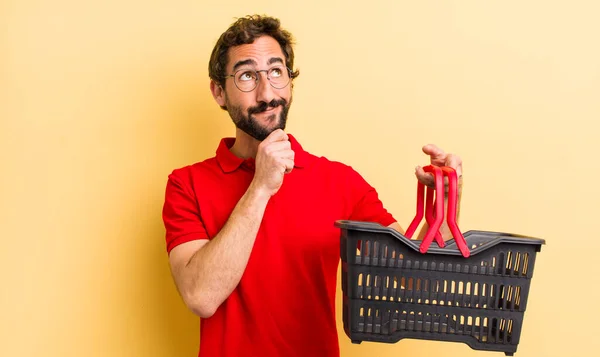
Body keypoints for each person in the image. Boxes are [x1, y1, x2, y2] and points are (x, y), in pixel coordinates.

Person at [161, 14, 463, 357]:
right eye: (247, 76)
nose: (267, 92)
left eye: (276, 72)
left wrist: (444, 206)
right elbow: (201, 297)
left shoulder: (341, 182)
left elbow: (414, 281)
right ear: (219, 91)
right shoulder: (186, 184)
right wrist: (260, 186)